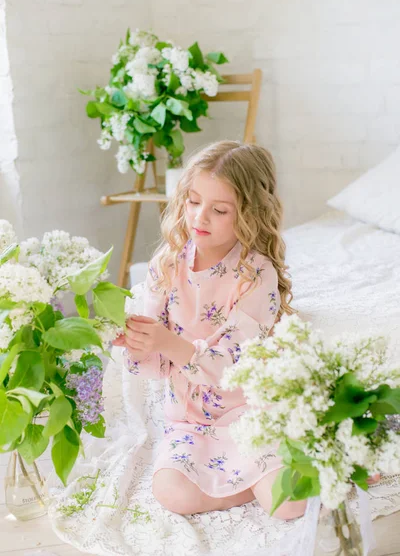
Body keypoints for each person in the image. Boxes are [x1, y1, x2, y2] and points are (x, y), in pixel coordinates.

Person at [112, 140, 378, 520]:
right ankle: (246, 486)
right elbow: (157, 366)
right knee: (170, 493)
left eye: (219, 210)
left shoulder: (256, 274)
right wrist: (137, 345)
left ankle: (265, 478)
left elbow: (235, 364)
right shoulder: (167, 263)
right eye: (192, 201)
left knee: (292, 506)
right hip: (190, 419)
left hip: (250, 413)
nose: (200, 217)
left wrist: (169, 342)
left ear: (249, 214)